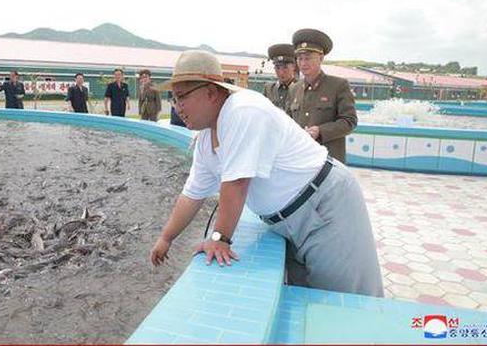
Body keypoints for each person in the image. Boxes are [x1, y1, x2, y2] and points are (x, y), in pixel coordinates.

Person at [149, 50, 383, 297]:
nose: (177, 107)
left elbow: (237, 183)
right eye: (173, 99)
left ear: (211, 91)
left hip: (325, 205)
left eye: (181, 97)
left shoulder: (242, 110)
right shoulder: (206, 138)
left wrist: (220, 238)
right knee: (306, 304)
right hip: (287, 220)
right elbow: (192, 194)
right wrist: (166, 238)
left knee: (347, 301)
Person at [290, 29, 357, 163]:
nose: (303, 63)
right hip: (301, 159)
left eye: (308, 58)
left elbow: (349, 121)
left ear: (321, 58)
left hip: (328, 162)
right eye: (300, 58)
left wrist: (320, 131)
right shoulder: (294, 88)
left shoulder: (338, 85)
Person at [263, 43, 298, 114]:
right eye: (277, 68)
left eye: (285, 68)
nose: (281, 72)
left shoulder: (300, 89)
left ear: (293, 67)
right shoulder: (269, 89)